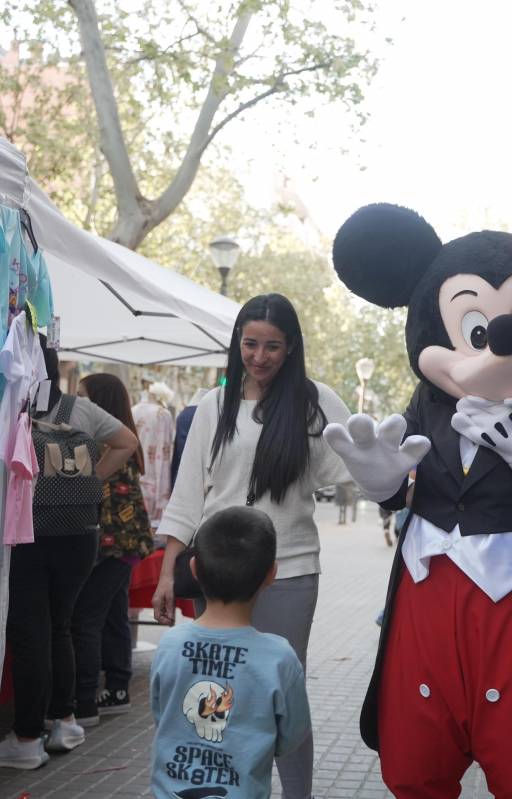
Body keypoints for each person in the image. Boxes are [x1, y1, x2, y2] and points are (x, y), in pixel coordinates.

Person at [152, 293, 351, 799]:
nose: (259, 357)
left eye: (272, 346)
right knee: (217, 694)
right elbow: (189, 494)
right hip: (216, 570)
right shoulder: (212, 405)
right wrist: (167, 571)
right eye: (250, 344)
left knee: (280, 693)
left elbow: (355, 471)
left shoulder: (316, 403)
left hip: (289, 572)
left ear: (291, 348)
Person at [0, 344, 140, 769]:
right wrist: (89, 479)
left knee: (30, 632)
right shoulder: (79, 409)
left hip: (29, 531)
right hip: (80, 533)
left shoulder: (5, 409)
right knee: (60, 626)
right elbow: (126, 441)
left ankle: (25, 738)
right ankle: (64, 720)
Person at [150, 505, 310, 799]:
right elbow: (291, 737)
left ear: (195, 568)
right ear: (271, 574)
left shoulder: (170, 645)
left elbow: (162, 716)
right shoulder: (279, 658)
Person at [70, 374, 154, 728]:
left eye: (82, 397)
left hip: (112, 548)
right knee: (113, 614)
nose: (76, 404)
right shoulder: (120, 442)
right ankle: (117, 689)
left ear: (98, 403)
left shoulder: (107, 446)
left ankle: (85, 702)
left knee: (85, 620)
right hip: (126, 546)